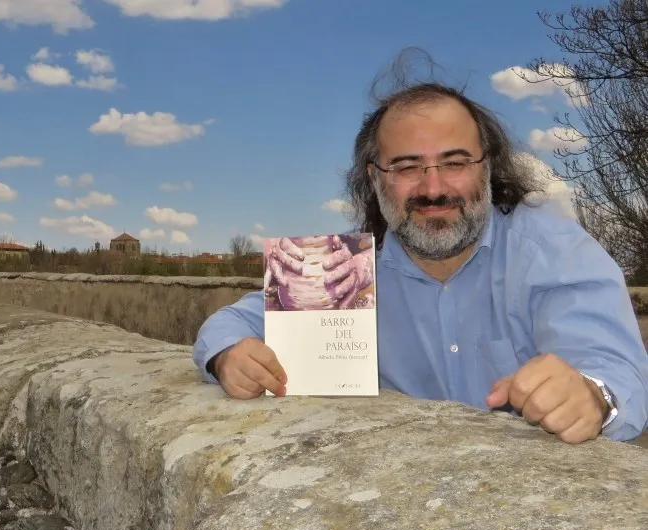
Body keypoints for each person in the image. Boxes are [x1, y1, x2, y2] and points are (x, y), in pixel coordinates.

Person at [192, 81, 648, 444]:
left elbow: (615, 372)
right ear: (375, 180)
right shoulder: (345, 274)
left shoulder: (554, 248)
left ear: (486, 167)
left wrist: (592, 397)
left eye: (455, 162)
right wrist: (228, 357)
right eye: (408, 167)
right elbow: (230, 324)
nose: (433, 188)